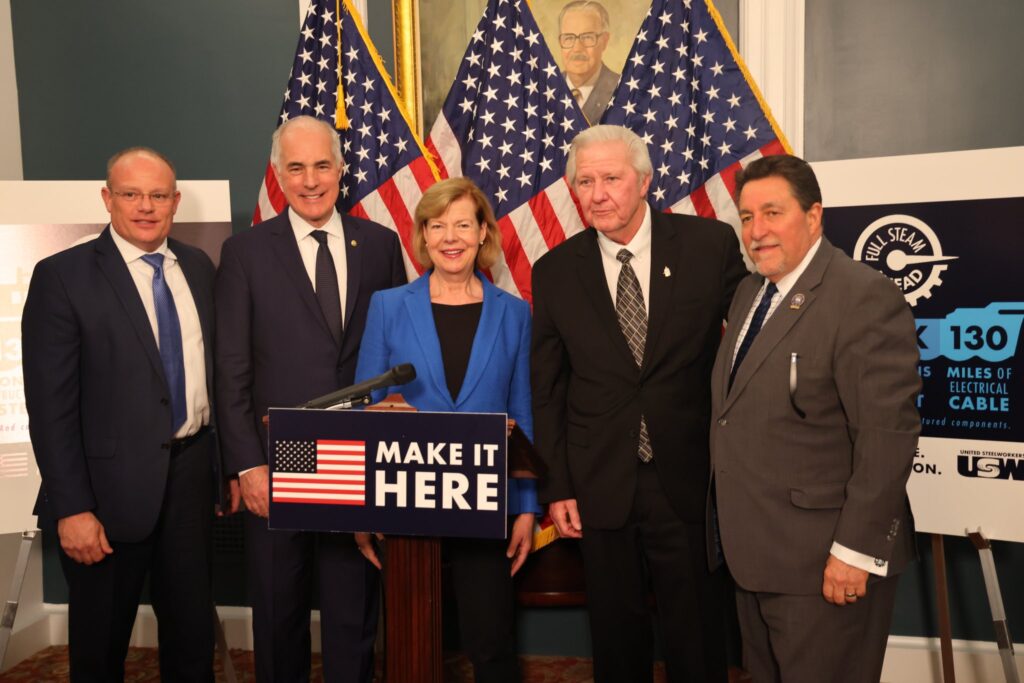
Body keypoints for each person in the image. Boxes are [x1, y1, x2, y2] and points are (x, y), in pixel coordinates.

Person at [531, 125, 748, 682]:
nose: (598, 193)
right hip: (599, 481)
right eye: (585, 181)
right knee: (615, 634)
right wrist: (557, 486)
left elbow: (754, 350)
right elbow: (549, 389)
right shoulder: (553, 271)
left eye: (611, 178)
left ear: (645, 181)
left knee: (696, 632)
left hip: (689, 474)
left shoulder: (709, 245)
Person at [709, 155, 921, 683]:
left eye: (773, 213)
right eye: (747, 216)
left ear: (814, 216)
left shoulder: (862, 296)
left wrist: (855, 552)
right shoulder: (749, 293)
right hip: (755, 556)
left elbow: (886, 438)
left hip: (826, 563)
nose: (757, 231)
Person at [215, 115, 407, 682]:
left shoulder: (379, 245)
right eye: (295, 167)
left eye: (322, 165)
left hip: (356, 452)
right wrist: (249, 464)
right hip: (280, 456)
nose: (310, 179)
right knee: (280, 609)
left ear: (341, 171)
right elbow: (231, 369)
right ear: (278, 175)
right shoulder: (245, 253)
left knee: (354, 609)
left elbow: (394, 345)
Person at [22, 147, 226, 681]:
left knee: (191, 639)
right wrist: (73, 508)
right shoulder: (62, 277)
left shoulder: (199, 268)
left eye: (158, 195)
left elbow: (217, 379)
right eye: (131, 194)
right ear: (107, 198)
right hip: (104, 497)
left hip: (189, 480)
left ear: (176, 202)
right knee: (100, 649)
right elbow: (50, 407)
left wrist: (220, 470)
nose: (145, 207)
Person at [354, 177, 540, 683]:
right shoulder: (389, 306)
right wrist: (361, 508)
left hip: (487, 497)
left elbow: (521, 411)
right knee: (410, 647)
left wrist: (525, 508)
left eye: (463, 224)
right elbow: (366, 408)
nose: (451, 237)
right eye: (438, 226)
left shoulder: (515, 313)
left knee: (491, 643)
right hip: (406, 496)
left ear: (483, 233)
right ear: (423, 235)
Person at [558, 0, 620, 124]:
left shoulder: (622, 91)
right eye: (569, 38)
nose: (577, 48)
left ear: (605, 41)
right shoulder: (545, 89)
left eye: (587, 37)